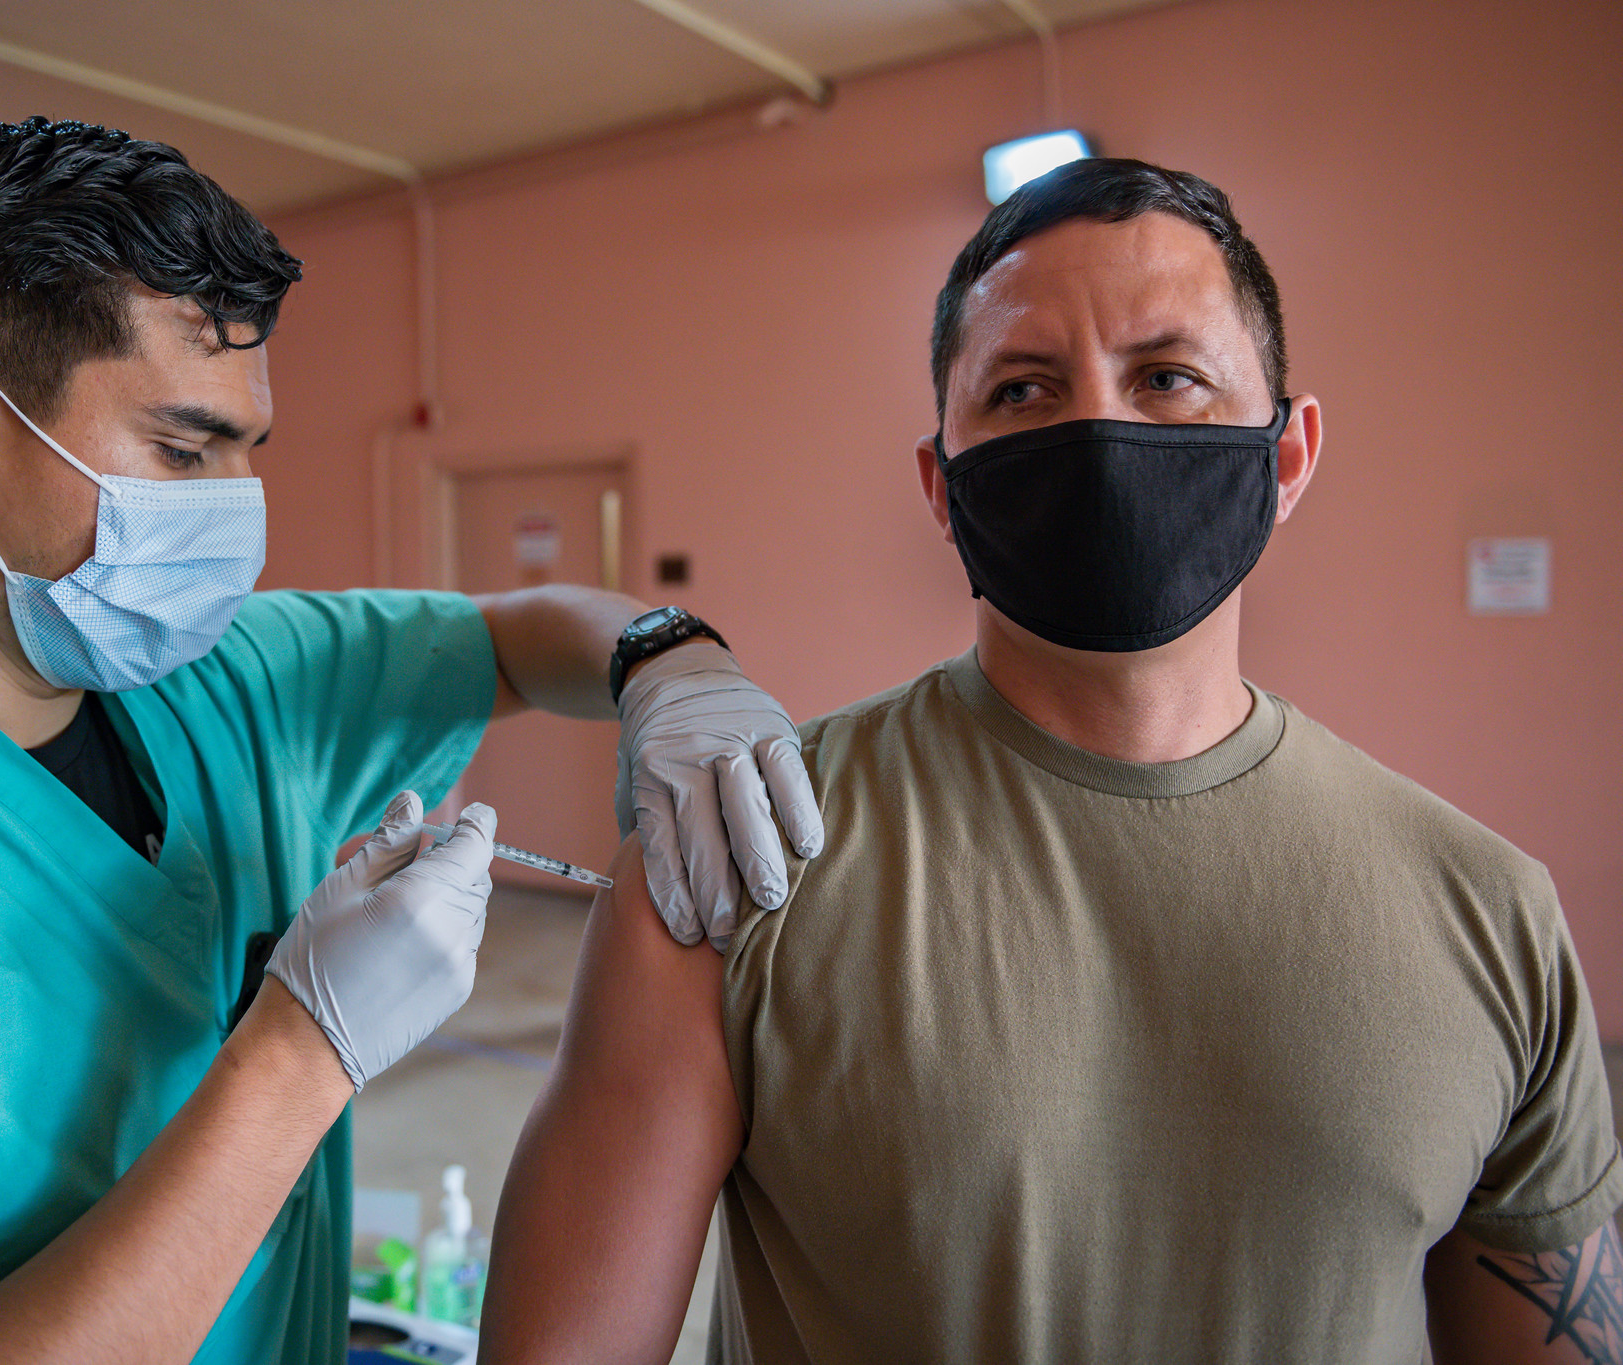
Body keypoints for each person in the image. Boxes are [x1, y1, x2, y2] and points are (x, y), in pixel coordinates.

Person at [0, 118, 824, 1364]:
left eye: (243, 454)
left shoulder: (222, 681)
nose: (233, 515)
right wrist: (301, 1049)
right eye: (180, 449)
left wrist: (672, 665)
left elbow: (514, 635)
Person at [481, 159, 1623, 1364]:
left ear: (1285, 456)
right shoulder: (742, 861)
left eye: (1167, 378)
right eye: (1024, 390)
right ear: (941, 485)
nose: (1098, 431)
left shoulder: (1486, 913)